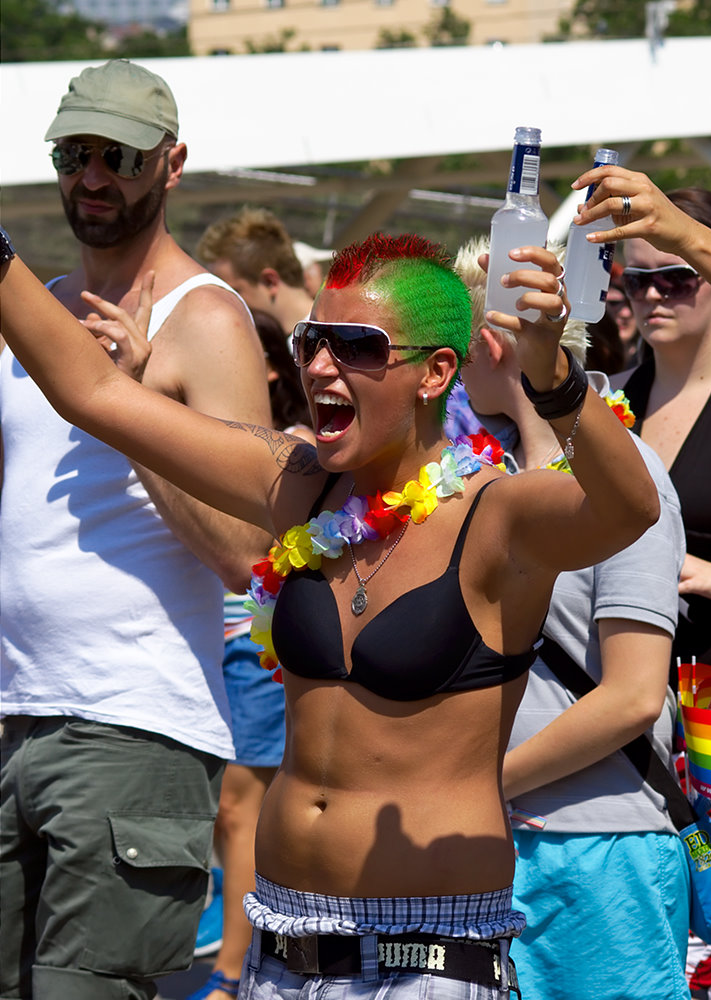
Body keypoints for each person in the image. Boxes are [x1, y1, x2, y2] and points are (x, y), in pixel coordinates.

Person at [0, 226, 661, 999]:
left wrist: (554, 379)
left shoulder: (498, 516)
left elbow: (628, 507)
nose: (317, 366)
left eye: (356, 345)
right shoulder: (299, 486)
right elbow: (96, 393)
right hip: (282, 949)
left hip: (427, 957)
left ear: (435, 371)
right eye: (314, 338)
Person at [0, 60, 271, 1000]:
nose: (92, 176)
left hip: (133, 729)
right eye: (73, 153)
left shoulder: (207, 319)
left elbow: (251, 552)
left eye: (116, 154)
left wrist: (134, 403)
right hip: (13, 720)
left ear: (172, 164)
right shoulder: (33, 310)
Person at [455, 235, 691, 1000]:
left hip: (599, 851)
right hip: (502, 845)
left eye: (453, 341)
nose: (447, 365)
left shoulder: (629, 476)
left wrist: (482, 782)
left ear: (492, 340)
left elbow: (633, 695)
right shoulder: (488, 482)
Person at [571, 165, 711, 1000]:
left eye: (677, 276)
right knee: (670, 945)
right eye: (635, 278)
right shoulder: (614, 401)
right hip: (644, 719)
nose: (653, 296)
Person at [189, 309, 313, 1000]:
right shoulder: (225, 443)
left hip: (260, 656)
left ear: (270, 368)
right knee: (234, 812)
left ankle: (232, 972)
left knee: (240, 812)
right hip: (227, 650)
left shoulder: (293, 448)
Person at [196, 207, 315, 338]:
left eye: (233, 291)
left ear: (270, 282)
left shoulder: (324, 344)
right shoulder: (291, 341)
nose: (223, 302)